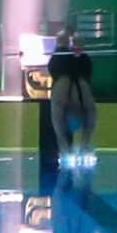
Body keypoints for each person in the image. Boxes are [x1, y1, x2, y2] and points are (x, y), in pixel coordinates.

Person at [46, 27, 96, 171]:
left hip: (69, 78)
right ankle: (81, 146)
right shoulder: (79, 70)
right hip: (76, 77)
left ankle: (68, 149)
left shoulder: (69, 77)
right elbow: (91, 111)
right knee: (87, 107)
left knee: (61, 107)